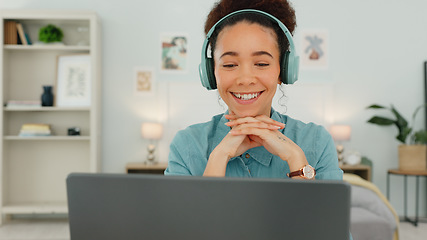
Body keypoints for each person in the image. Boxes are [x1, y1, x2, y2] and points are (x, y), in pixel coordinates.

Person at [164, 0, 343, 181]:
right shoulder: (186, 146)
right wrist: (219, 158)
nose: (245, 79)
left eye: (262, 64)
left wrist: (296, 158)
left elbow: (322, 211)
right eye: (230, 64)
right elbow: (186, 211)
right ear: (211, 72)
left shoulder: (317, 142)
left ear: (283, 70)